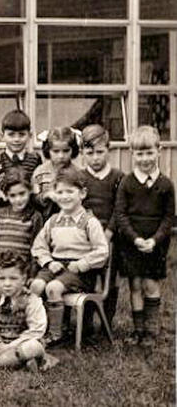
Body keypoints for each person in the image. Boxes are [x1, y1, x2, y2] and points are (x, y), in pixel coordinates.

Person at [30, 167, 109, 345]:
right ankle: (37, 328)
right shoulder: (53, 221)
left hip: (79, 272)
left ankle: (56, 333)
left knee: (53, 288)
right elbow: (38, 246)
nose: (64, 196)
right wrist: (49, 262)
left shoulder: (89, 222)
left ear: (82, 193)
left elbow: (102, 251)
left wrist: (82, 264)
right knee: (35, 286)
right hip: (55, 266)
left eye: (69, 191)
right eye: (59, 192)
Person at [115, 125, 175, 347]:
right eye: (139, 153)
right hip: (131, 243)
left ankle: (151, 331)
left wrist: (154, 240)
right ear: (133, 154)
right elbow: (120, 215)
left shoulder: (166, 185)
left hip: (155, 244)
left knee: (151, 284)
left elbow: (169, 218)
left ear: (158, 151)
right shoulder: (127, 183)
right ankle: (137, 330)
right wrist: (135, 239)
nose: (145, 159)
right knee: (136, 285)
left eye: (149, 152)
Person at [80, 124, 125, 324]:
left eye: (100, 152)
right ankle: (87, 323)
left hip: (110, 237)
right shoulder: (80, 177)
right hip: (86, 238)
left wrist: (108, 233)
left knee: (109, 279)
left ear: (109, 150)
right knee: (87, 278)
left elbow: (120, 208)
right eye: (90, 153)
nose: (95, 158)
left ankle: (107, 321)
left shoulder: (118, 177)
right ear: (82, 153)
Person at [0, 110, 42, 234]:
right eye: (11, 135)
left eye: (22, 134)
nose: (16, 139)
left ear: (30, 135)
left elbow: (37, 195)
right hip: (1, 225)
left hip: (28, 224)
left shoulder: (35, 160)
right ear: (2, 136)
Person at [0, 168, 43, 275]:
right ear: (6, 195)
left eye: (22, 194)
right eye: (12, 196)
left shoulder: (35, 217)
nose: (18, 199)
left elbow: (36, 248)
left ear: (30, 190)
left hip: (21, 270)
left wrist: (32, 274)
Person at [33, 127, 81, 219]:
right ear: (48, 150)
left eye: (66, 151)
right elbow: (34, 198)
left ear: (73, 149)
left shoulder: (78, 173)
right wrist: (46, 195)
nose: (61, 156)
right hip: (45, 220)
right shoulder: (40, 172)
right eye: (56, 151)